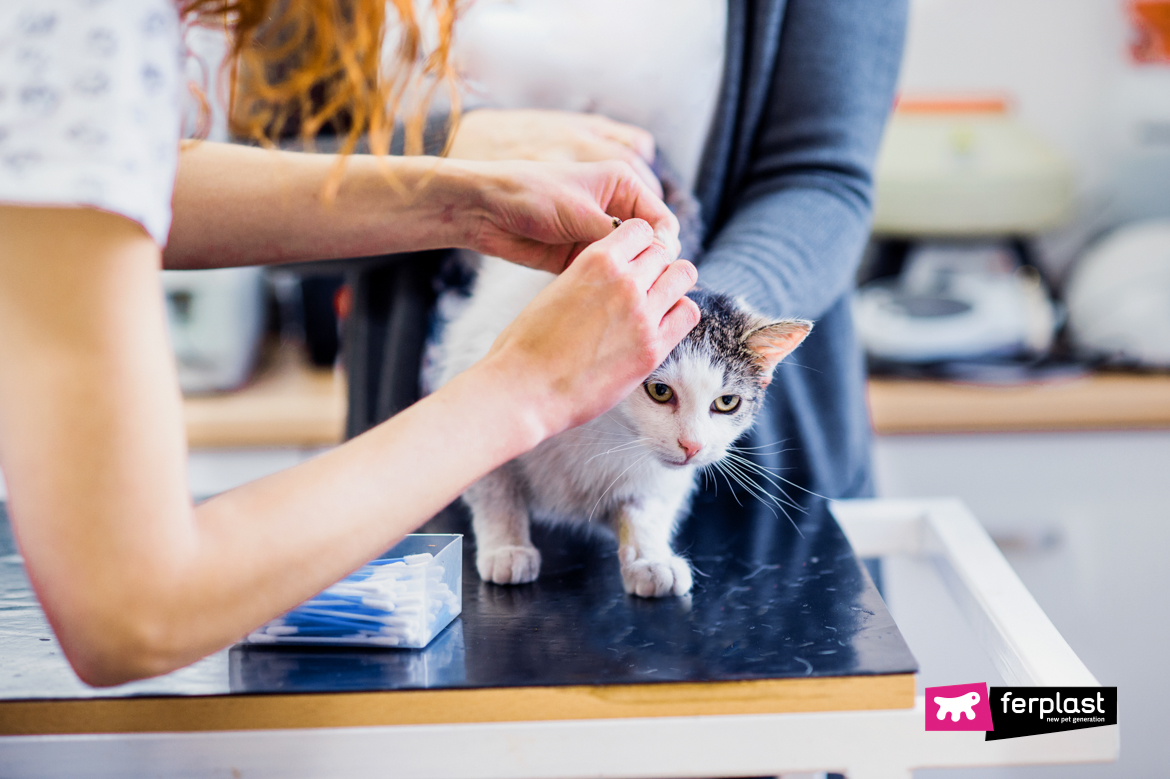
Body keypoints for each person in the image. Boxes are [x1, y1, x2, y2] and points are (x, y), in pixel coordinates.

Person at [0, 0, 698, 685]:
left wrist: (462, 202)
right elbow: (133, 608)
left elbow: (138, 179)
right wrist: (527, 385)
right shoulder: (79, 19)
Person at [348, 0, 908, 503]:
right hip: (432, 431)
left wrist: (689, 320)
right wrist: (442, 152)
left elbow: (821, 178)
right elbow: (269, 181)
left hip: (736, 482)